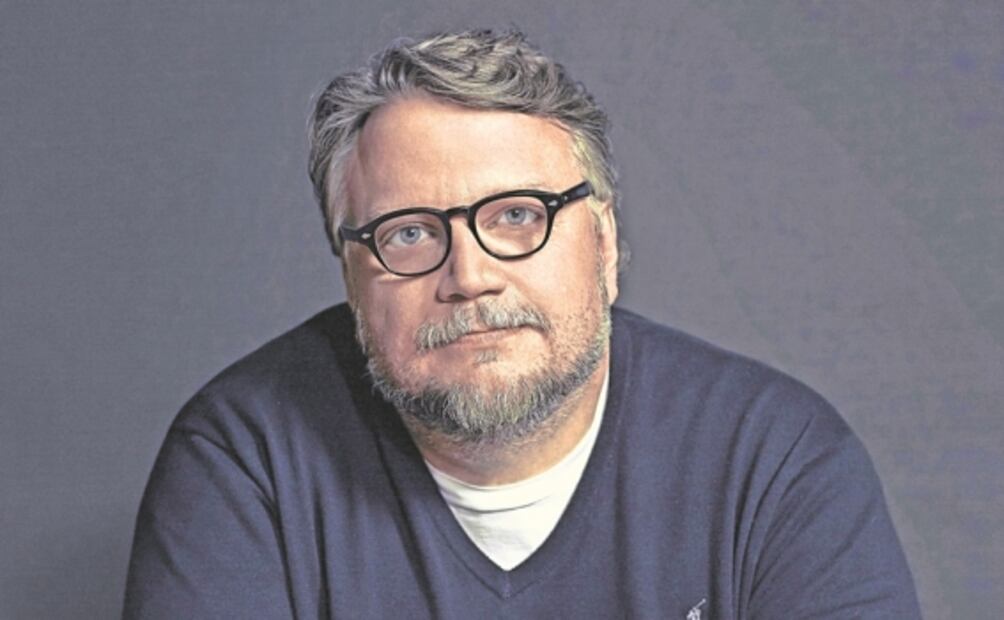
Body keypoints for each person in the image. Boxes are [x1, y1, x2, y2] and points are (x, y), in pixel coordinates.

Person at [123, 30, 921, 618]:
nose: (469, 276)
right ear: (351, 274)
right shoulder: (247, 458)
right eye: (410, 232)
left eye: (516, 215)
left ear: (603, 244)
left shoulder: (775, 461)